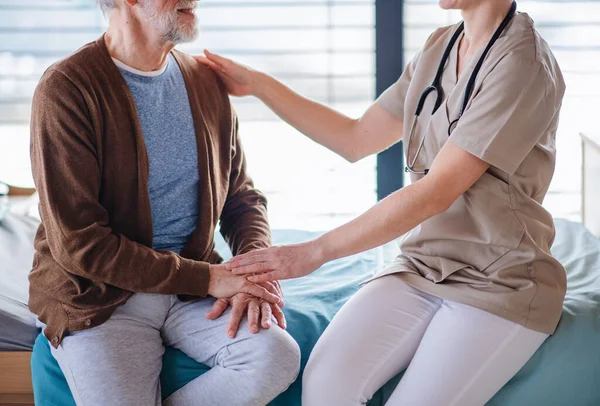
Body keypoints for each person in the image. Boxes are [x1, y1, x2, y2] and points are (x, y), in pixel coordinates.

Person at [200, 0, 567, 404]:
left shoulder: (522, 61)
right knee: (326, 383)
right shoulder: (440, 46)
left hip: (499, 279)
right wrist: (258, 85)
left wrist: (314, 252)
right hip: (422, 265)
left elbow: (437, 190)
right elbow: (355, 138)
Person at [28, 0, 300, 405]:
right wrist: (208, 279)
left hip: (191, 292)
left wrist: (253, 268)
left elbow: (241, 197)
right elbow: (80, 244)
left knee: (276, 357)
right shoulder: (67, 88)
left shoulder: (204, 82)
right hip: (100, 296)